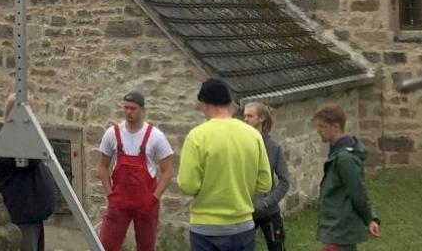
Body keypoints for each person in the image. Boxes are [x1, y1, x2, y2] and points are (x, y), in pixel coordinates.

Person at [177, 78, 272, 251]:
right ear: (228, 104)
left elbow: (188, 185)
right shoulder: (253, 135)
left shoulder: (197, 136)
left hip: (206, 229)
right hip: (242, 226)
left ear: (205, 104)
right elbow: (265, 183)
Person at [98, 91, 174, 251]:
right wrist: (109, 193)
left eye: (132, 108)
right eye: (125, 108)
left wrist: (154, 198)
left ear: (142, 109)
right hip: (119, 200)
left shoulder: (156, 136)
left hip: (146, 201)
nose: (128, 112)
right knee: (105, 245)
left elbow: (167, 172)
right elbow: (103, 166)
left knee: (146, 247)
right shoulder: (112, 134)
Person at [0, 94, 56, 251]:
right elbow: (35, 156)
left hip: (31, 219)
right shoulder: (3, 137)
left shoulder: (15, 136)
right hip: (20, 220)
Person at [313, 103, 381, 251]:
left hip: (341, 230)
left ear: (336, 127)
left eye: (322, 126)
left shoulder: (345, 158)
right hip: (335, 230)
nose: (318, 130)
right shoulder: (337, 153)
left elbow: (358, 192)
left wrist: (370, 219)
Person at [243, 102, 290, 251]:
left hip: (270, 213)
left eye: (249, 115)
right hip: (245, 213)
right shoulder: (239, 145)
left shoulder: (273, 147)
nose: (245, 119)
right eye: (244, 115)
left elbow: (285, 181)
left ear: (261, 118)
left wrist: (266, 202)